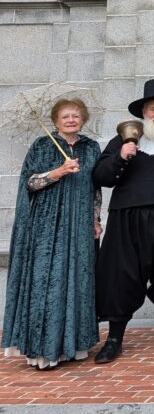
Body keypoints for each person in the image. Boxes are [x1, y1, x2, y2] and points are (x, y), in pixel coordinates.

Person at [92, 79, 154, 364]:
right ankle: (114, 339)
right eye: (152, 109)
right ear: (143, 113)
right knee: (122, 276)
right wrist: (121, 157)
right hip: (130, 219)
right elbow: (101, 177)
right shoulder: (124, 139)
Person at [3, 98, 100, 369]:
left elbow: (95, 189)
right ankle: (44, 349)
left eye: (76, 116)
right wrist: (58, 172)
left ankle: (74, 345)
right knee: (48, 280)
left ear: (83, 119)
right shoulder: (42, 145)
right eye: (65, 116)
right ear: (56, 121)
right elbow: (30, 184)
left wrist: (96, 219)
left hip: (80, 223)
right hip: (47, 224)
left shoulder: (91, 148)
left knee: (77, 278)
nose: (71, 120)